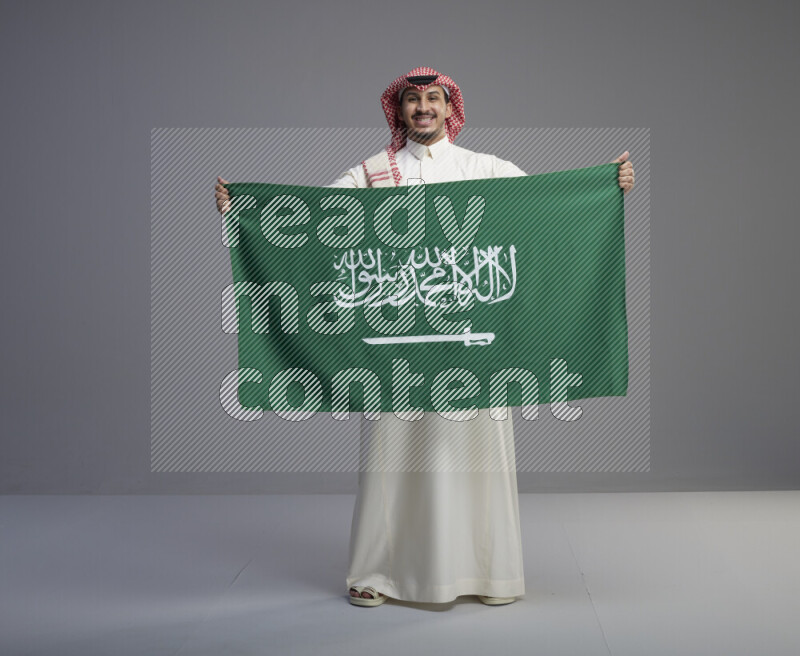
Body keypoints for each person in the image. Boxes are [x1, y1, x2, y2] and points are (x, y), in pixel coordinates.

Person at [214, 66, 635, 607]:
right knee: (390, 464)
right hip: (397, 354)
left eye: (433, 99)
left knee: (476, 456)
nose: (423, 109)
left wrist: (605, 188)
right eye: (413, 101)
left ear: (448, 107)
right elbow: (309, 228)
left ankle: (489, 575)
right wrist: (246, 211)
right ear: (399, 111)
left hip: (473, 350)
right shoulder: (370, 174)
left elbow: (544, 212)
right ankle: (376, 574)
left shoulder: (483, 168)